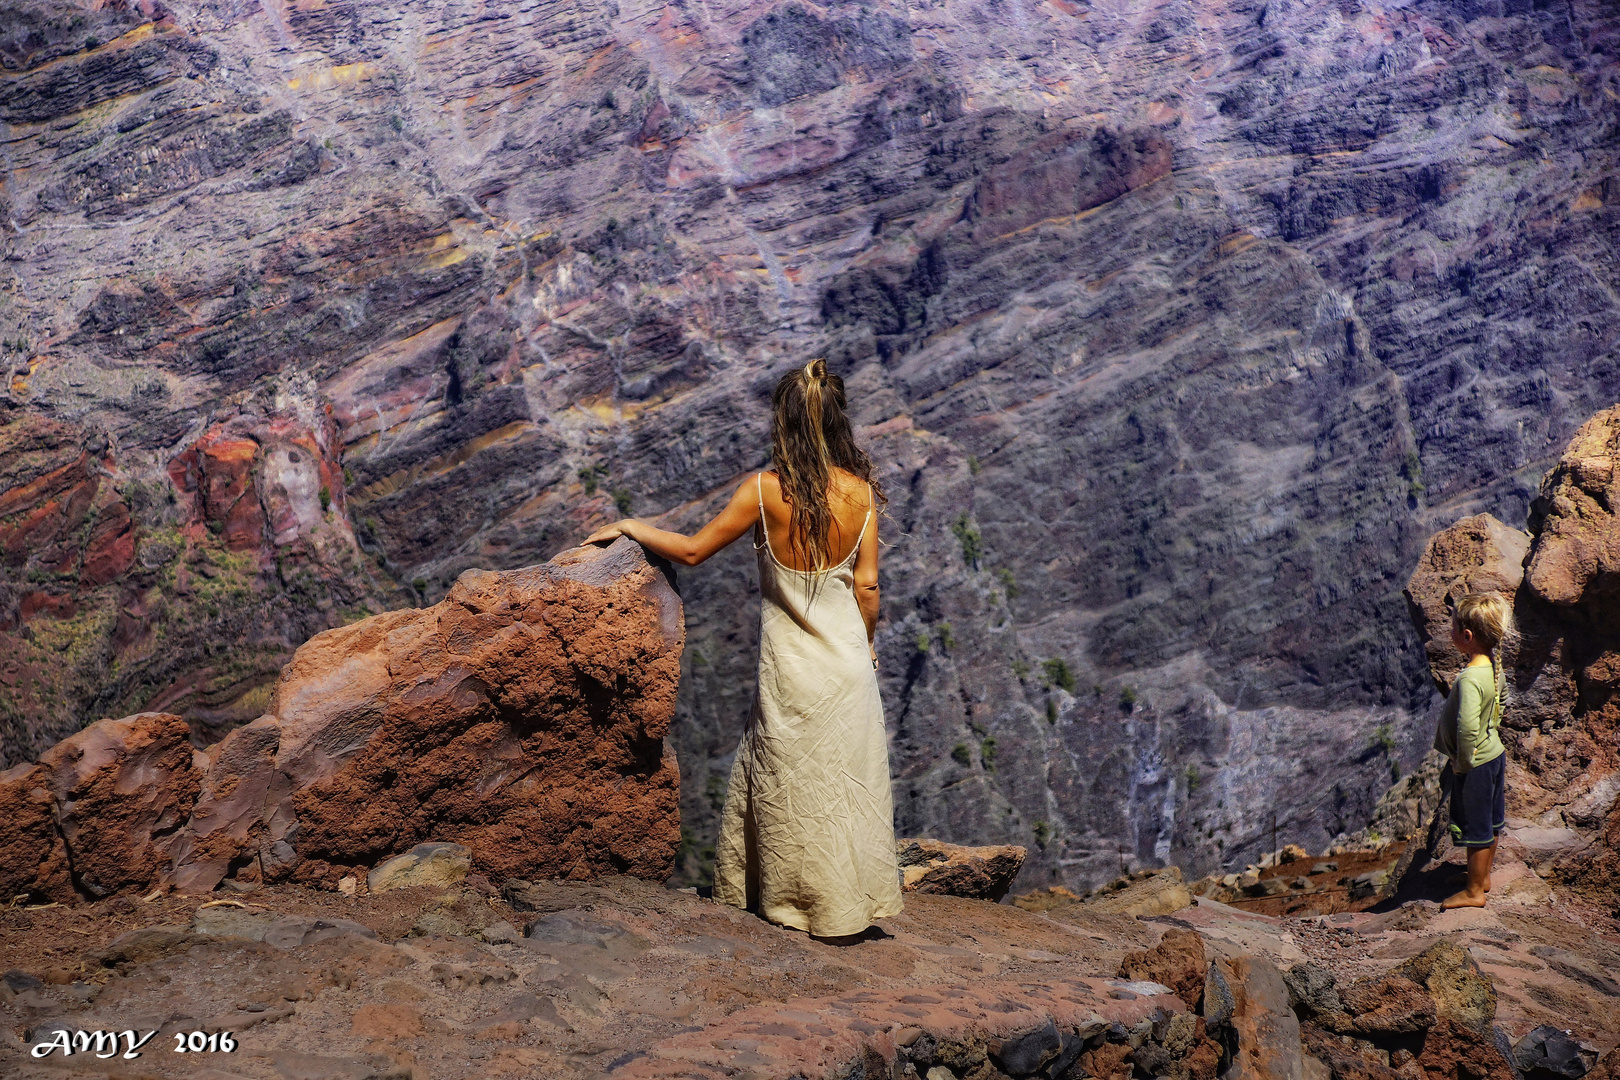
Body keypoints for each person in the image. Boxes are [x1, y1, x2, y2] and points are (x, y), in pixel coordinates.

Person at [584, 359, 904, 939]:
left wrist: (631, 526)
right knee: (847, 780)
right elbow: (867, 585)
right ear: (838, 422)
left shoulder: (764, 490)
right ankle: (846, 904)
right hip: (849, 662)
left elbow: (690, 550)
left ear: (784, 422)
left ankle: (787, 902)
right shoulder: (861, 494)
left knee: (791, 779)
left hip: (791, 667)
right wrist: (870, 646)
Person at [1434, 591, 1513, 909]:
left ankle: (1473, 892)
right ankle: (1482, 878)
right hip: (1494, 754)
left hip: (1475, 763)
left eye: (1452, 628)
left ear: (1466, 637)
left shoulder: (1469, 679)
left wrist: (1461, 763)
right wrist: (1491, 726)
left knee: (1476, 827)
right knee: (1492, 822)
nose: (1449, 632)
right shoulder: (1493, 667)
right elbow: (1503, 699)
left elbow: (1466, 729)